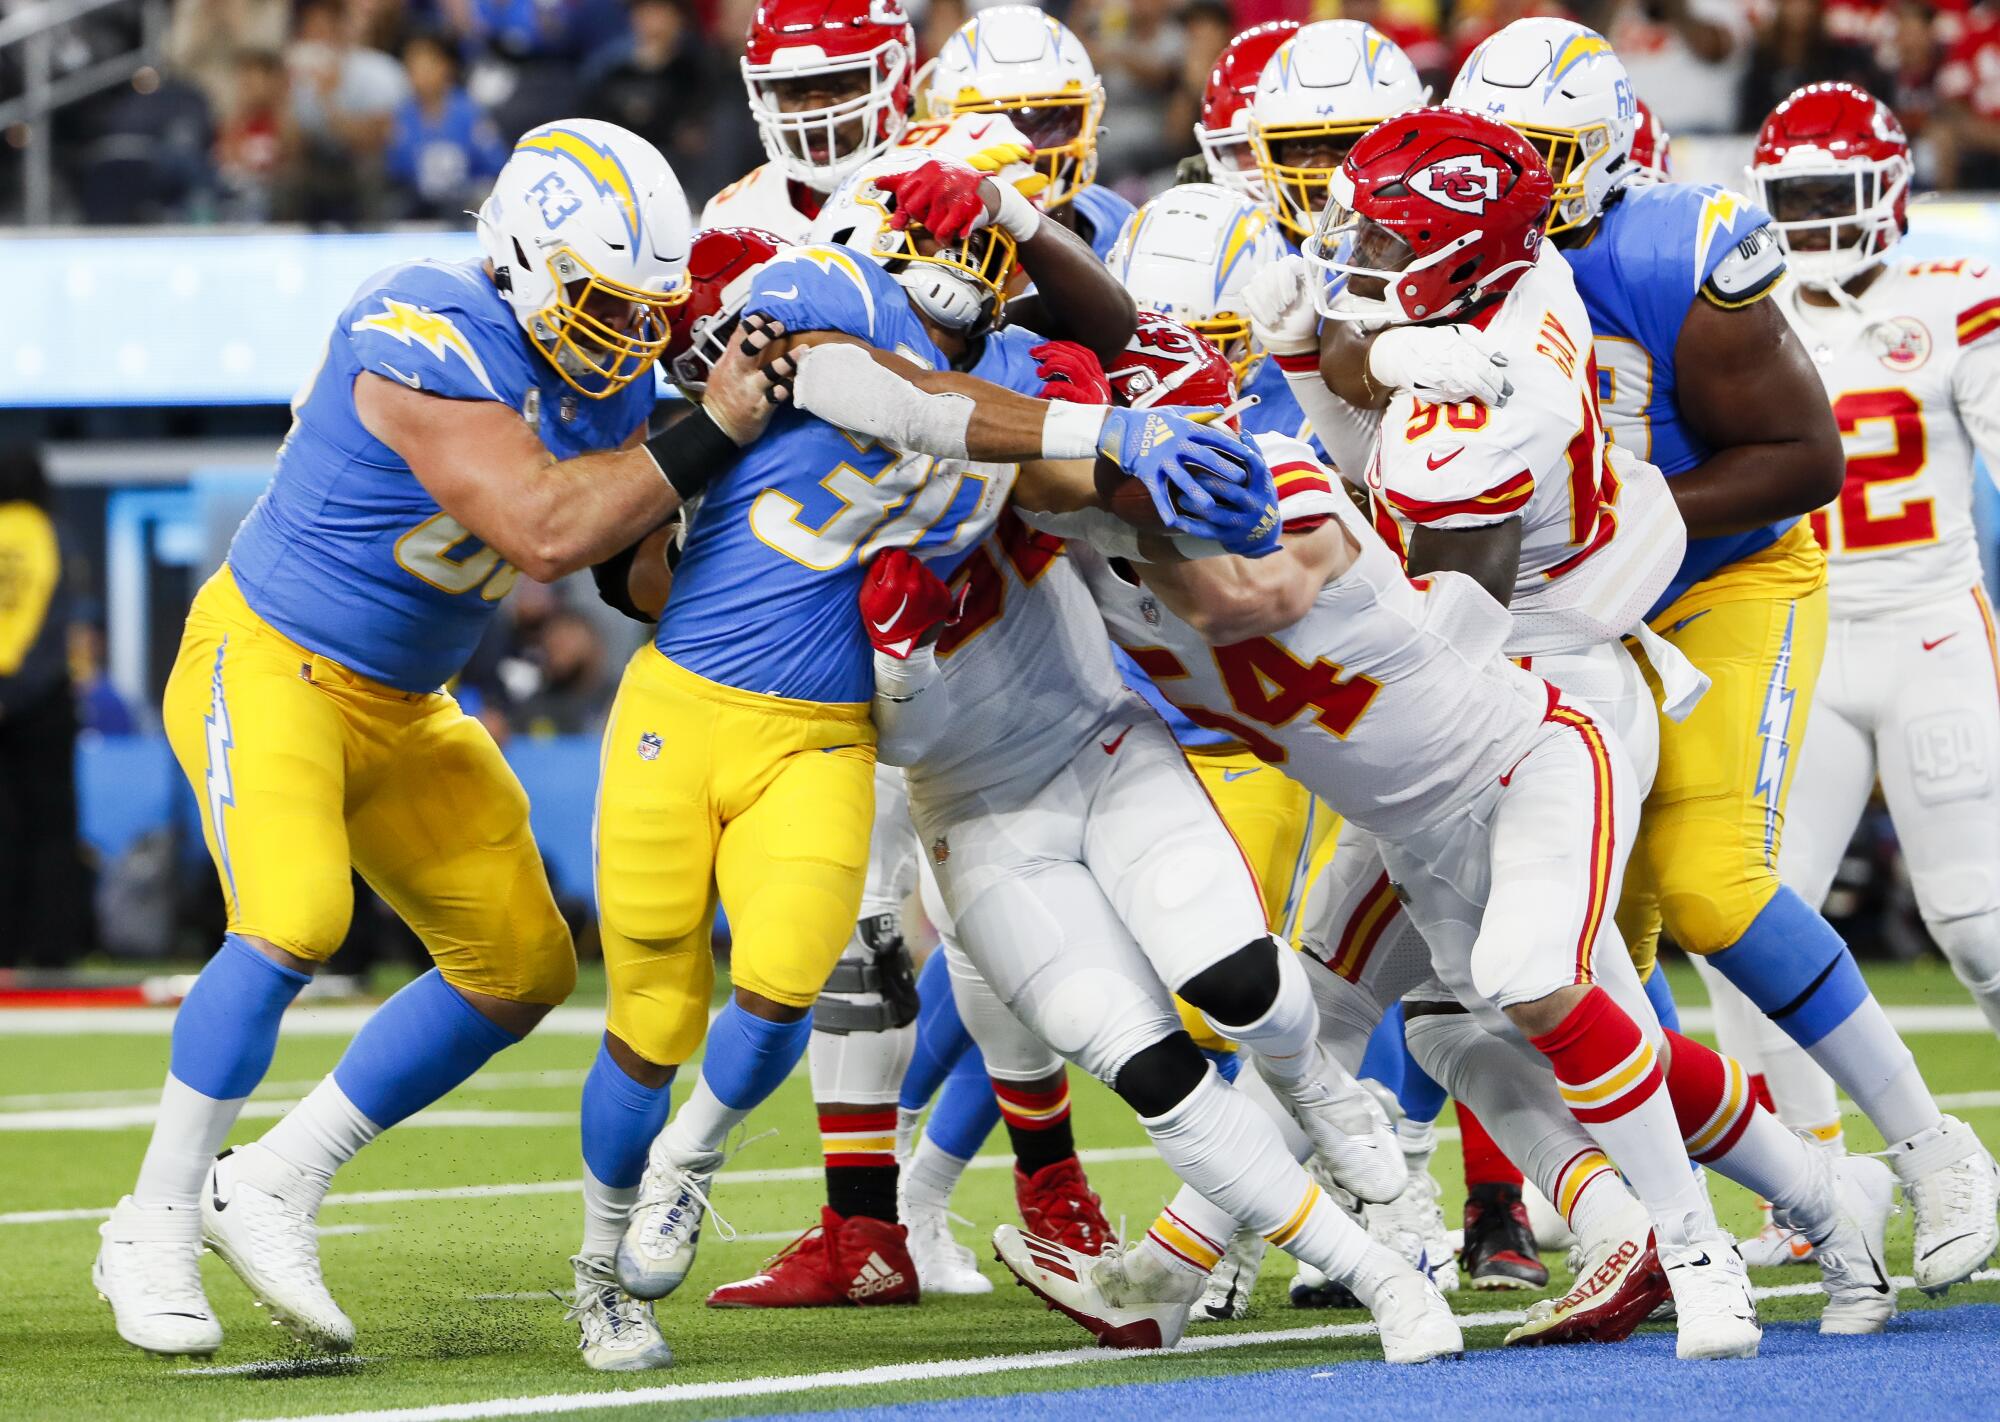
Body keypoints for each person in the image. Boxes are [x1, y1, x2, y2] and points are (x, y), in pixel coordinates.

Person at [91, 119, 771, 1363]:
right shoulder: (418, 322)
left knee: (520, 964)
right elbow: (543, 531)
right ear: (520, 251)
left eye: (644, 311)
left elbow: (630, 573)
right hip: (272, 658)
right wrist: (710, 428)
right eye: (604, 302)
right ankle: (151, 1219)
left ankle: (279, 1177)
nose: (628, 337)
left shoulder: (614, 378)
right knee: (292, 919)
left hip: (408, 704)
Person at [577, 144, 1255, 1360]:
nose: (950, 257)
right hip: (725, 691)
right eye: (931, 229)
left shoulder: (1027, 348)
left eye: (973, 237)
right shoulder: (824, 295)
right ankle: (740, 1230)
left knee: (823, 978)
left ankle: (771, 1175)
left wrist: (1019, 224)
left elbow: (1114, 343)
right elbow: (883, 399)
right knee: (698, 996)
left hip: (907, 708)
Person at [1446, 17, 2000, 1297]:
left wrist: (1627, 514)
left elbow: (1805, 464)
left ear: (1591, 154)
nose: (1504, 183)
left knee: (1710, 884)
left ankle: (1930, 1148)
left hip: (1717, 578)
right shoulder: (1439, 251)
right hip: (1569, 609)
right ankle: (1711, 1215)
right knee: (1582, 945)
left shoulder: (1669, 245)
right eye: (1488, 154)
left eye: (1534, 154)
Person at [862, 313, 1456, 1365]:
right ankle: (1379, 1281)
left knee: (1237, 980)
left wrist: (1115, 454)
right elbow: (895, 739)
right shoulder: (804, 539)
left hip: (1105, 750)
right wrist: (897, 659)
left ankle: (1313, 1083)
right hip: (980, 826)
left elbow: (1081, 475)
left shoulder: (1011, 434)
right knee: (1146, 1065)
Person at [1705, 80, 2000, 1267]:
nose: (1817, 221)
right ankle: (1815, 1175)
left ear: (1891, 193)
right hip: (1802, 643)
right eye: (1797, 199)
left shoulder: (1958, 295)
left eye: (1837, 195)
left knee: (1976, 924)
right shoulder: (1740, 309)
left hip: (1929, 624)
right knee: (1747, 913)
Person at [924, 6, 1135, 262]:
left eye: (1049, 124)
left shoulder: (1120, 224)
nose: (1027, 150)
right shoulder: (923, 242)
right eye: (992, 126)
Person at [0, 447, 88, 971]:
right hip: (42, 703)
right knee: (53, 829)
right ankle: (53, 951)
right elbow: (59, 627)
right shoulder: (51, 534)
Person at [384, 30, 506, 219]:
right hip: (418, 204)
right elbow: (396, 170)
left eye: (427, 65)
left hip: (466, 201)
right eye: (413, 66)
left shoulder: (470, 113)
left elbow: (494, 163)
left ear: (446, 67)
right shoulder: (402, 116)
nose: (420, 74)